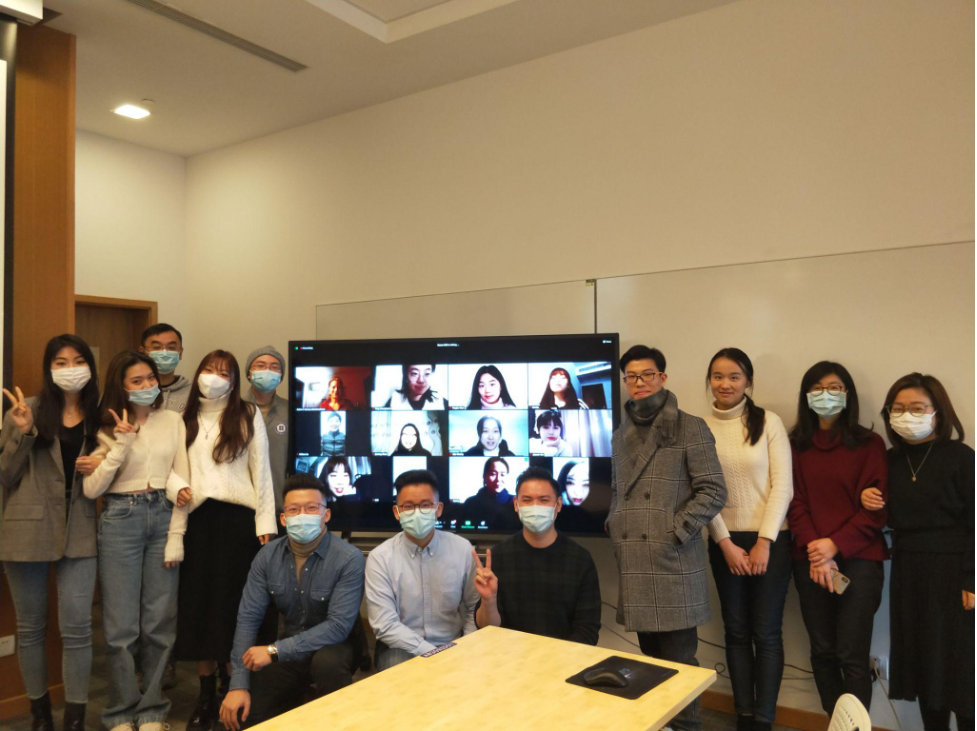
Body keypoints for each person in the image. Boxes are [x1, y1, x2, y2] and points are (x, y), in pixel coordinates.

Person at [608, 345, 727, 731]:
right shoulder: (620, 434)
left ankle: (686, 727)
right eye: (631, 377)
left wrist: (675, 532)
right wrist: (614, 523)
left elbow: (714, 490)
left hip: (672, 561)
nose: (639, 382)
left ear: (662, 377)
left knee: (680, 663)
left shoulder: (691, 427)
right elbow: (617, 491)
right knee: (651, 662)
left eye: (647, 374)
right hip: (636, 561)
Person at [82, 351, 192, 731]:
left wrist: (176, 535)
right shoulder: (106, 426)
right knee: (120, 628)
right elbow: (92, 488)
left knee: (160, 623)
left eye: (150, 378)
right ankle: (120, 712)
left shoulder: (172, 420)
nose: (147, 385)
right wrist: (121, 444)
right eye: (137, 381)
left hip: (163, 515)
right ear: (122, 386)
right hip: (120, 517)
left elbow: (182, 481)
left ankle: (152, 711)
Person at [859, 374, 974, 731]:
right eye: (898, 408)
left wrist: (972, 578)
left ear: (938, 412)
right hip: (909, 570)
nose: (907, 415)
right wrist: (867, 499)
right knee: (926, 665)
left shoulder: (961, 457)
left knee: (963, 668)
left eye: (918, 408)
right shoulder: (889, 460)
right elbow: (882, 516)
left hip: (956, 571)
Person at [1, 334, 103, 731]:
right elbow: (5, 475)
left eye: (78, 360)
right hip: (26, 527)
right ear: (49, 368)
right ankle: (40, 716)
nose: (70, 368)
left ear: (90, 366)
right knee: (30, 628)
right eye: (60, 362)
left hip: (81, 527)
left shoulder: (100, 414)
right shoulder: (26, 410)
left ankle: (75, 719)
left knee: (77, 628)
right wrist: (25, 432)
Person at [173, 350, 277, 731]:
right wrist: (177, 487)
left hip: (239, 524)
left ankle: (234, 687)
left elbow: (261, 471)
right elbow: (169, 468)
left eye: (223, 372)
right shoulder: (182, 418)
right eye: (208, 369)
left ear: (234, 381)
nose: (213, 377)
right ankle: (204, 695)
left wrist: (266, 523)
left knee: (235, 610)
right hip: (197, 522)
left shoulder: (247, 414)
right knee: (199, 608)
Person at [219, 474, 365, 730]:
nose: (302, 515)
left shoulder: (349, 558)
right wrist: (238, 684)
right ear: (283, 518)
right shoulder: (267, 556)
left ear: (326, 515)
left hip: (335, 648)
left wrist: (275, 651)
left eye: (311, 508)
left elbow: (338, 627)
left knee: (327, 665)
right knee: (245, 717)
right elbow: (248, 618)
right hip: (289, 648)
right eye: (294, 510)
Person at [787, 361, 888, 714]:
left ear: (848, 394)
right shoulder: (795, 445)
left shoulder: (870, 444)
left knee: (852, 655)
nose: (825, 395)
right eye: (816, 388)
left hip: (859, 562)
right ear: (806, 396)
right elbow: (793, 501)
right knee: (823, 651)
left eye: (834, 388)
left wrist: (833, 546)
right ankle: (836, 722)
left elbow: (877, 510)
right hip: (810, 561)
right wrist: (818, 552)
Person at [704, 348, 793, 731]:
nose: (725, 384)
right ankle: (744, 715)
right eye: (718, 376)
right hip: (723, 541)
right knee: (736, 630)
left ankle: (764, 719)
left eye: (734, 376)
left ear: (748, 382)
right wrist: (724, 542)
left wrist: (764, 541)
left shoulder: (769, 422)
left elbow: (783, 486)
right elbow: (702, 491)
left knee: (766, 632)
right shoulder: (700, 428)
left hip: (771, 540)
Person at [365, 469, 478, 670]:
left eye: (425, 505)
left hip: (453, 642)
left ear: (438, 509)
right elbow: (385, 625)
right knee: (398, 667)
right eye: (408, 506)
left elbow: (473, 607)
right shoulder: (380, 558)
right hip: (400, 646)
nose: (417, 512)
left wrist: (466, 647)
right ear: (397, 512)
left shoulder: (462, 549)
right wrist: (434, 654)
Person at [473, 467, 600, 644]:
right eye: (527, 500)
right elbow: (486, 629)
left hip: (563, 657)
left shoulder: (580, 560)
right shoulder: (499, 556)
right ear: (516, 504)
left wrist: (557, 658)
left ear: (558, 504)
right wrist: (489, 600)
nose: (535, 507)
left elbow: (587, 631)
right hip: (510, 655)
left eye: (544, 500)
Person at [244, 347, 288, 516]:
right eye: (260, 366)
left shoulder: (289, 411)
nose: (267, 371)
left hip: (280, 506)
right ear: (249, 373)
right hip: (243, 507)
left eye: (274, 367)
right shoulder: (233, 410)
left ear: (281, 376)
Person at [140, 323, 190, 413]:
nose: (164, 353)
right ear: (142, 352)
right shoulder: (134, 391)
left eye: (171, 347)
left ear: (180, 353)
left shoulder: (192, 393)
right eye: (156, 347)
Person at [461, 457, 520, 531]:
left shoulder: (515, 502)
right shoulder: (471, 503)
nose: (498, 479)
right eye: (493, 474)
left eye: (502, 475)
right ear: (484, 476)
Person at [383, 364, 447, 410]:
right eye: (415, 373)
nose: (421, 380)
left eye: (427, 374)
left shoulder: (439, 400)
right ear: (406, 376)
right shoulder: (394, 399)